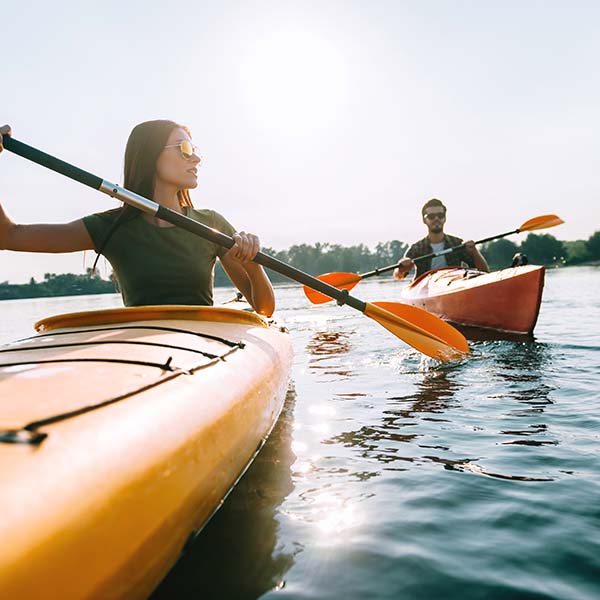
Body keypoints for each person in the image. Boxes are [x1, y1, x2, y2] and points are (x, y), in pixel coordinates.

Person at [0, 121, 275, 315]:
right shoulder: (110, 227)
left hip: (203, 345)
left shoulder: (211, 224)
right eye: (186, 149)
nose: (197, 159)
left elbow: (264, 308)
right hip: (142, 346)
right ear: (150, 156)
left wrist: (253, 263)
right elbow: (8, 236)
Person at [393, 198, 489, 280]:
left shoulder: (457, 243)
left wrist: (474, 252)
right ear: (424, 220)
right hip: (425, 290)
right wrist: (402, 268)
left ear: (445, 218)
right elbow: (398, 276)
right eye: (431, 216)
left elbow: (484, 271)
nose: (436, 219)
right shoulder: (416, 248)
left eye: (440, 215)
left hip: (454, 284)